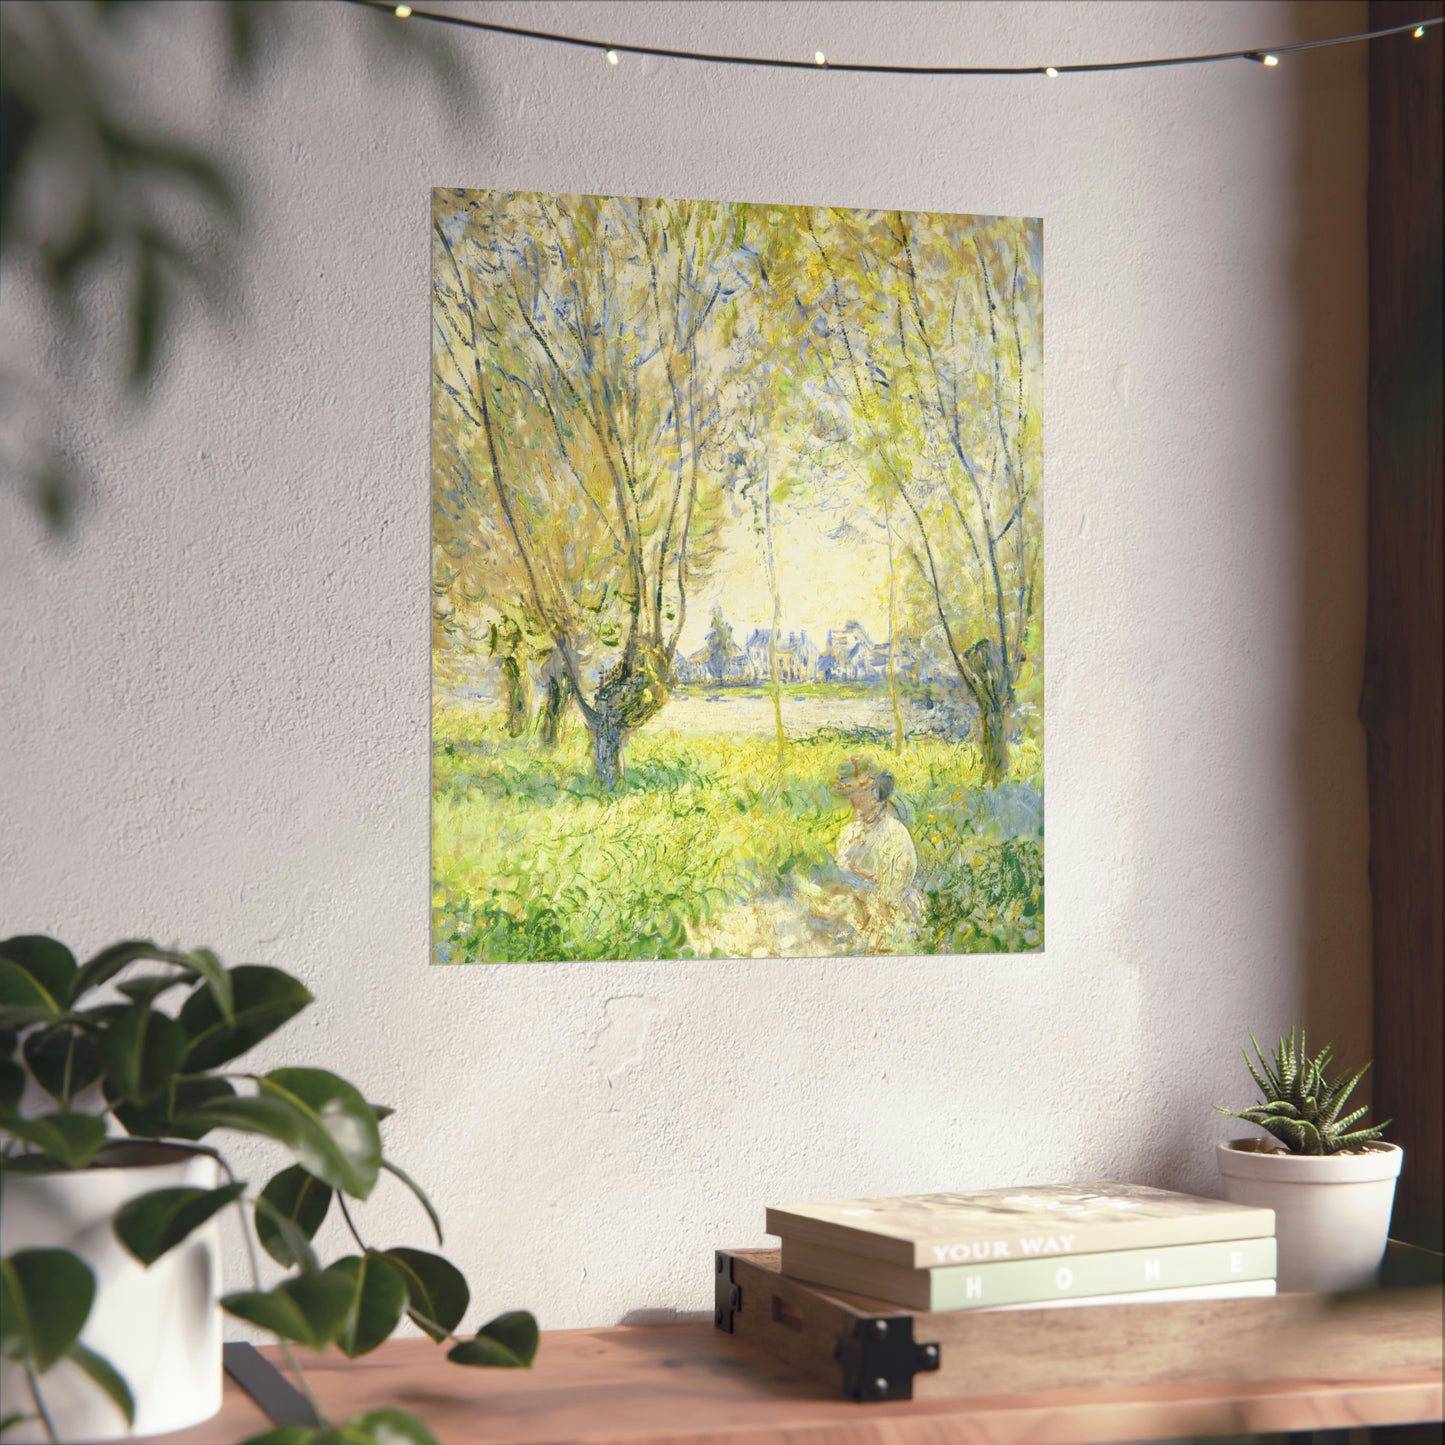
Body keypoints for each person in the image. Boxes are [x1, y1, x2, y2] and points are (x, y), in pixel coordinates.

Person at [800, 756, 923, 953]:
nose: (852, 802)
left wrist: (853, 899)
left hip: (887, 921)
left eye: (857, 793)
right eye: (848, 795)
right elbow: (844, 877)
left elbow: (891, 896)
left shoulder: (895, 835)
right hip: (848, 915)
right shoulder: (850, 833)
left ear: (875, 792)